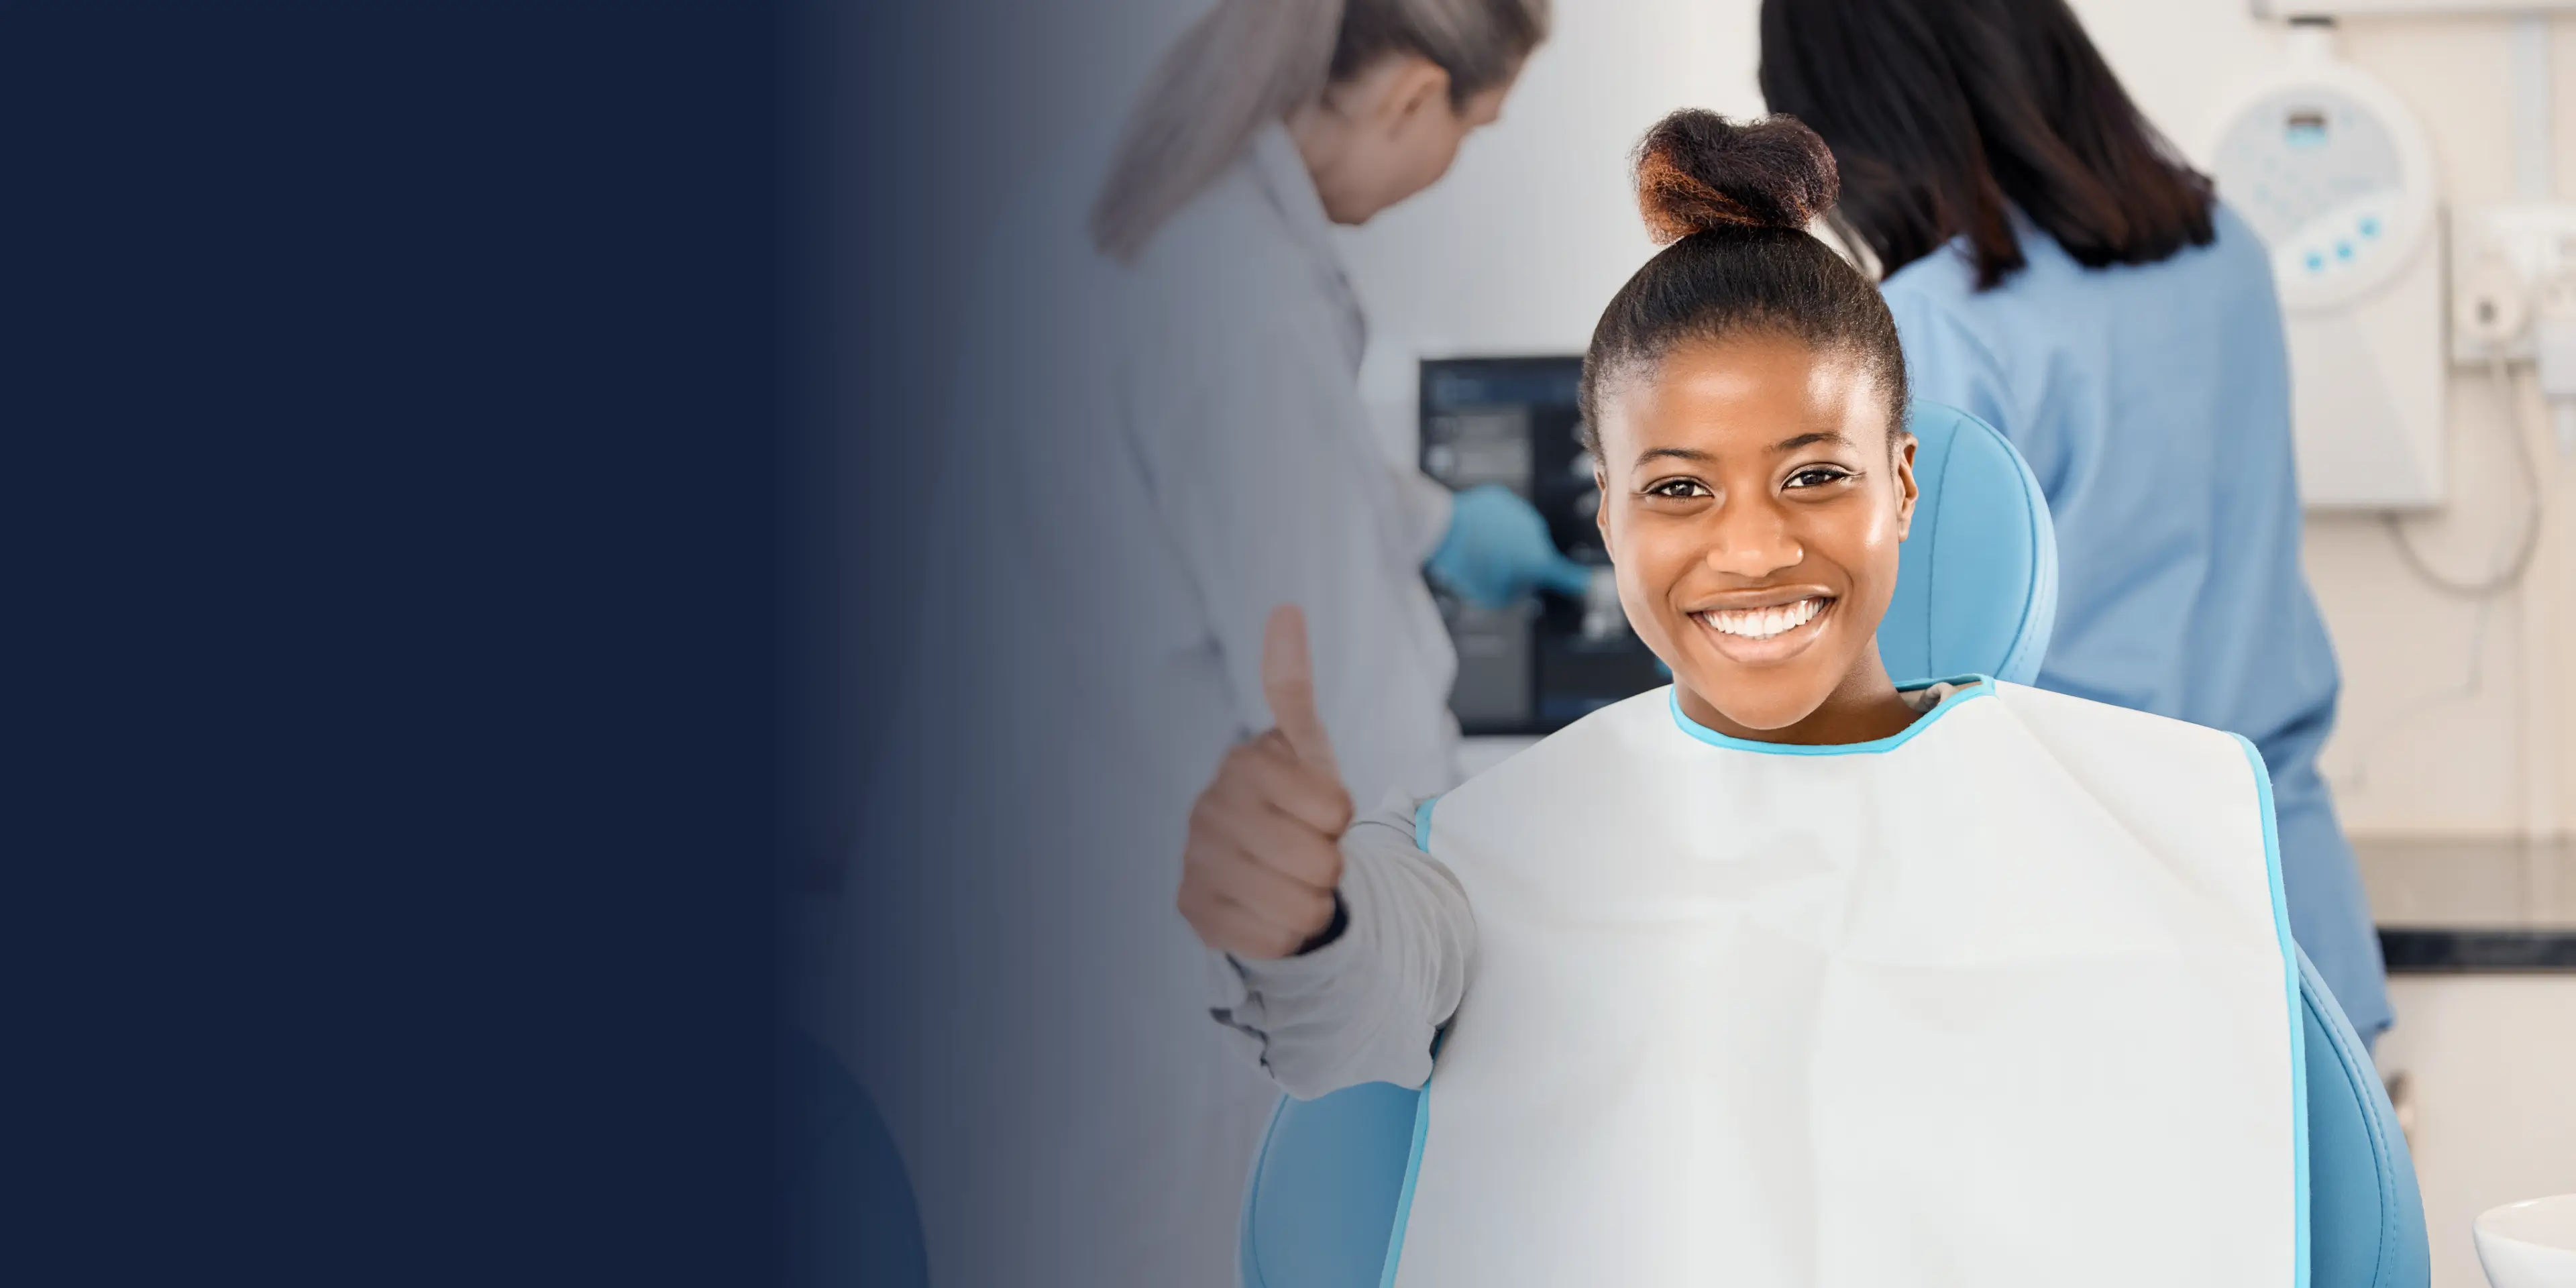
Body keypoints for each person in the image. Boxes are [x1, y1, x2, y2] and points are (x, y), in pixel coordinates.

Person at [1186, 111, 2308, 1287]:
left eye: (1814, 476)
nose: (1756, 551)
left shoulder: (2153, 821)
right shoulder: (1479, 855)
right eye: (1680, 490)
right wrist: (1303, 916)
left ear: (1904, 485)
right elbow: (1352, 1001)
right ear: (1608, 513)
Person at [827, 2, 1567, 1285]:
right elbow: (1372, 745)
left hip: (972, 939)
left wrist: (1434, 522)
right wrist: (1530, 910)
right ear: (1409, 95)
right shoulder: (1244, 300)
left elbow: (1212, 469)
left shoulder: (1114, 199)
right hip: (1111, 1011)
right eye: (1476, 127)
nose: (1456, 160)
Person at [1756, 0, 2390, 1042]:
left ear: (1855, 117)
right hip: (2294, 909)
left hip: (2087, 931)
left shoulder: (1933, 323)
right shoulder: (2226, 251)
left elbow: (1892, 696)